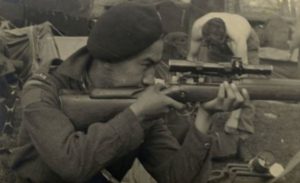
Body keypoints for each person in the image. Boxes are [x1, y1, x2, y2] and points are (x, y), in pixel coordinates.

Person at [9, 3, 249, 183]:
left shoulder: (139, 100)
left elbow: (175, 176)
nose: (151, 78)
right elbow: (72, 163)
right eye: (145, 65)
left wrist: (204, 119)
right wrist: (136, 115)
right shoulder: (42, 91)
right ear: (107, 61)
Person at [188, 12, 260, 64]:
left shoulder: (238, 36)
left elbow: (244, 66)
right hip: (227, 38)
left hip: (247, 40)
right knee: (214, 70)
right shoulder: (198, 28)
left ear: (225, 36)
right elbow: (191, 57)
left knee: (250, 74)